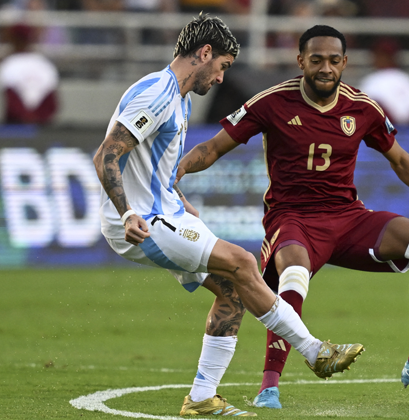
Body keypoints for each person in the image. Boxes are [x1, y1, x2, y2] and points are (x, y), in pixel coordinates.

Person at [175, 25, 409, 410]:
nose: (326, 68)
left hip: (348, 217)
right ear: (301, 60)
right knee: (294, 276)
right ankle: (269, 384)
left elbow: (402, 161)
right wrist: (178, 171)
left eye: (334, 60)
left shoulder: (363, 108)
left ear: (345, 63)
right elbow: (213, 146)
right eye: (317, 59)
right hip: (292, 220)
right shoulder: (271, 102)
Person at [93, 15, 364, 417]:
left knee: (232, 291)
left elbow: (150, 164)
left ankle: (202, 397)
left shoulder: (179, 99)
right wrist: (128, 211)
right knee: (241, 262)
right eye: (222, 66)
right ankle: (315, 351)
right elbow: (107, 155)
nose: (221, 78)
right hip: (140, 222)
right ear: (204, 54)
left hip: (163, 211)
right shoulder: (156, 93)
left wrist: (175, 193)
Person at [0, 23, 59, 124]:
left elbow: (12, 101)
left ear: (13, 39)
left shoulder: (9, 64)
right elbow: (51, 103)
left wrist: (28, 117)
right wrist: (37, 116)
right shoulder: (44, 64)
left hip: (17, 128)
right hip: (43, 127)